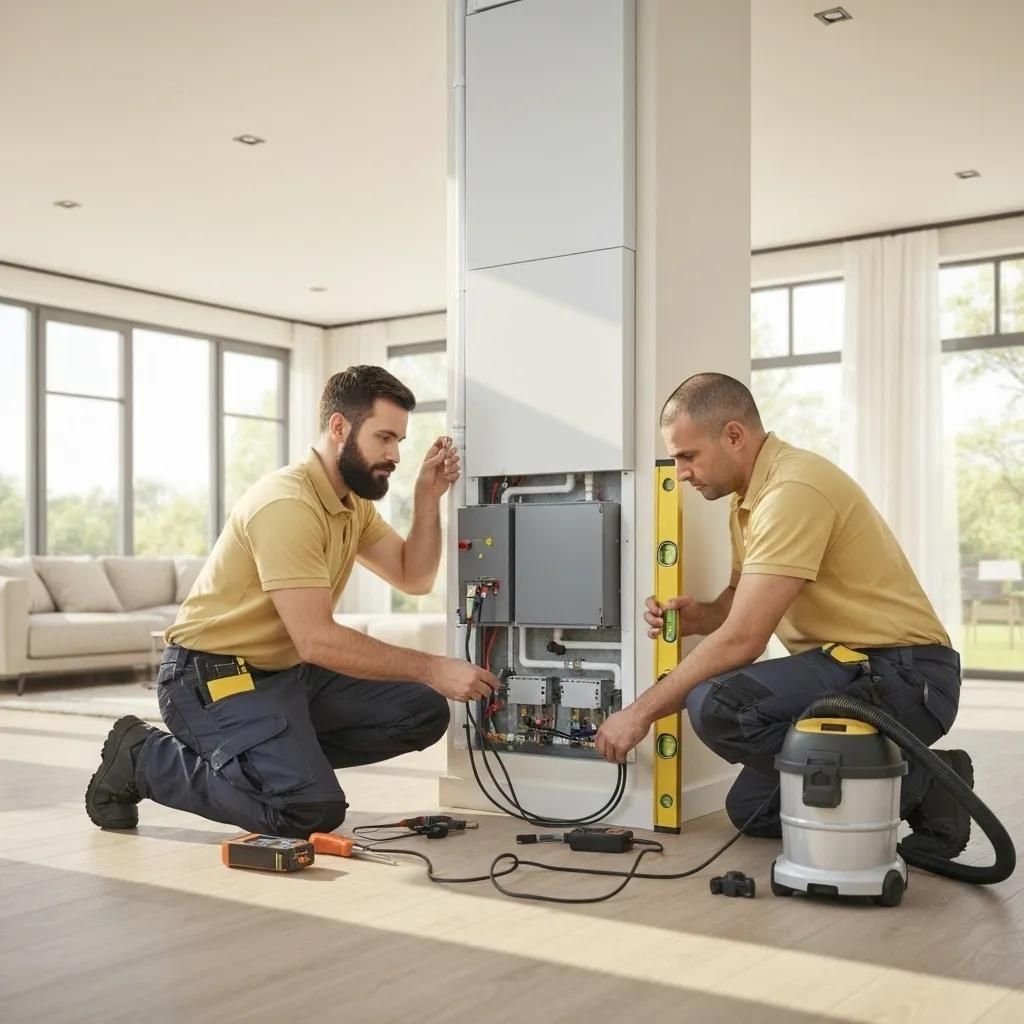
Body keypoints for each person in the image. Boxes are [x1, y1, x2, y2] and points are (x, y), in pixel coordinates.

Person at [86, 366, 498, 838]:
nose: (395, 454)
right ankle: (142, 757)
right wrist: (430, 666)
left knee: (421, 711)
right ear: (339, 427)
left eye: (400, 441)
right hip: (211, 675)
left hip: (285, 674)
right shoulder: (288, 503)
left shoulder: (351, 504)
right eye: (385, 437)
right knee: (308, 810)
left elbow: (414, 576)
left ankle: (278, 760)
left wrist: (428, 499)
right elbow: (318, 639)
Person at [595, 372, 972, 857]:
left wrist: (638, 714)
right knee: (755, 810)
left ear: (734, 435)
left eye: (688, 455)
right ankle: (903, 776)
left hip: (905, 675)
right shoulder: (746, 502)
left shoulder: (793, 490)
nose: (681, 471)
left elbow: (743, 640)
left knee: (717, 704)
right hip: (850, 668)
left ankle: (928, 780)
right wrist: (700, 616)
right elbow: (739, 604)